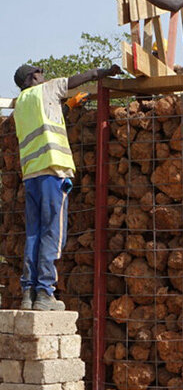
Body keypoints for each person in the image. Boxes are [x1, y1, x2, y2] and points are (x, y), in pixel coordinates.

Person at [13, 64, 122, 311]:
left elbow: (43, 121)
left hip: (31, 176)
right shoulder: (46, 89)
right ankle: (45, 292)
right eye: (40, 73)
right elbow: (76, 79)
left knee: (34, 234)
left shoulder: (21, 103)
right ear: (33, 77)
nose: (44, 75)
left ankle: (28, 292)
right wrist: (103, 71)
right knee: (53, 234)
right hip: (54, 171)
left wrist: (67, 108)